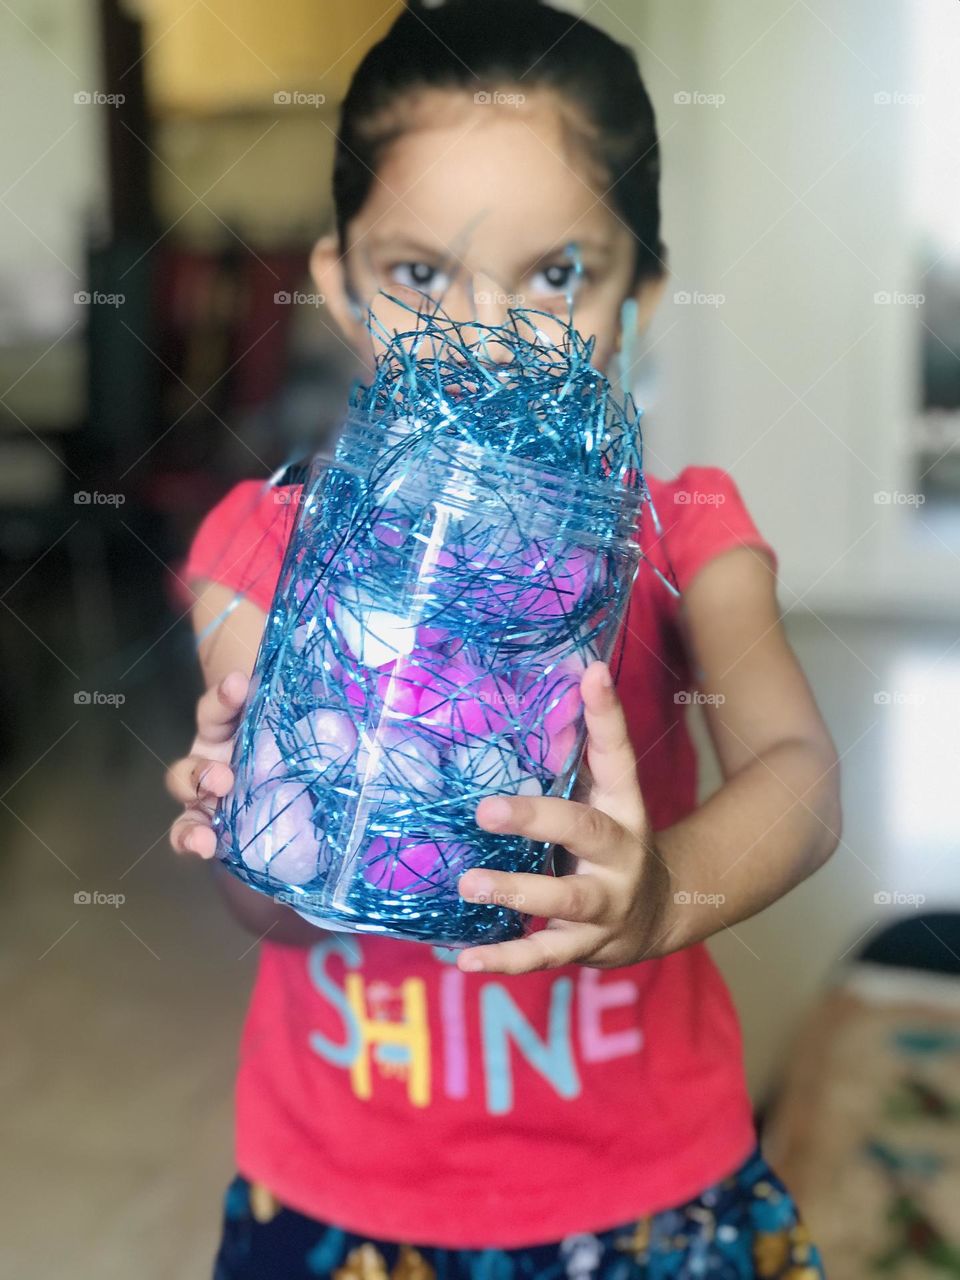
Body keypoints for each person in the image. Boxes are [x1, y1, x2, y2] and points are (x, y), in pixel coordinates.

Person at [166, 2, 840, 1275]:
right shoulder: (261, 546)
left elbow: (802, 776)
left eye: (556, 276)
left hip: (644, 1187)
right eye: (422, 275)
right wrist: (247, 806)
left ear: (641, 296)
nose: (488, 338)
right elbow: (278, 910)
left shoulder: (682, 525)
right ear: (338, 283)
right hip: (345, 1194)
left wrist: (656, 897)